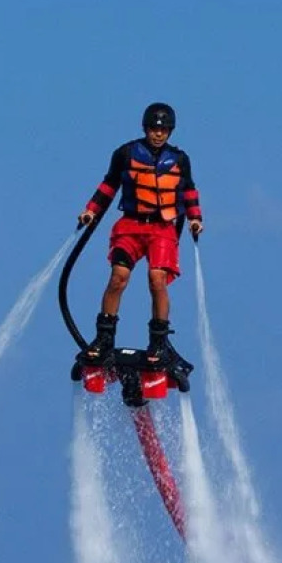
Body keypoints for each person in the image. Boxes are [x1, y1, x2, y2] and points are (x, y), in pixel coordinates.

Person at [72, 102, 203, 391]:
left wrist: (195, 219)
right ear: (145, 128)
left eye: (163, 129)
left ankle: (159, 343)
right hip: (131, 225)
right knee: (118, 277)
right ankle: (104, 338)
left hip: (162, 228)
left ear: (170, 131)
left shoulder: (179, 159)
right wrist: (91, 210)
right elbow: (108, 185)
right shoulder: (126, 154)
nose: (158, 134)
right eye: (154, 128)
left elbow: (189, 190)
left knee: (157, 279)